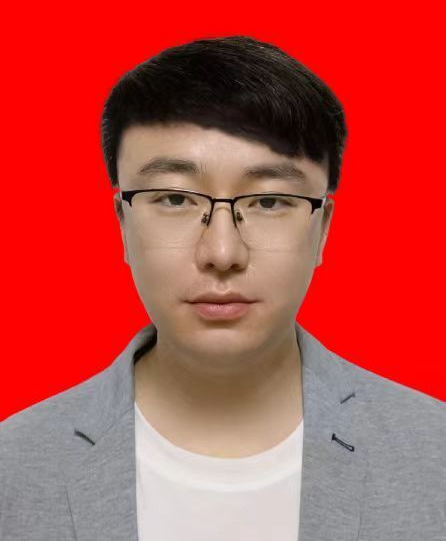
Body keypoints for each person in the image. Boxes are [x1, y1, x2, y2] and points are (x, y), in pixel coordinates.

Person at [1, 36, 444, 541]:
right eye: (174, 198)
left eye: (269, 201)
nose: (222, 252)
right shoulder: (13, 467)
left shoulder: (434, 454)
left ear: (323, 229)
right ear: (122, 222)